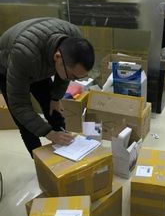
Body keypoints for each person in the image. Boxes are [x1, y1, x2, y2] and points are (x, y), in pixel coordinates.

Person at [0, 17, 95, 158]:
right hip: (8, 68)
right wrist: (49, 133)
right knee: (26, 125)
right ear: (57, 57)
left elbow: (65, 76)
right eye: (73, 77)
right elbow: (19, 105)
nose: (74, 81)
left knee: (54, 109)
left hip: (39, 60)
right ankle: (41, 165)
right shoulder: (24, 55)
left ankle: (65, 153)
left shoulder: (74, 40)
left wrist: (56, 98)